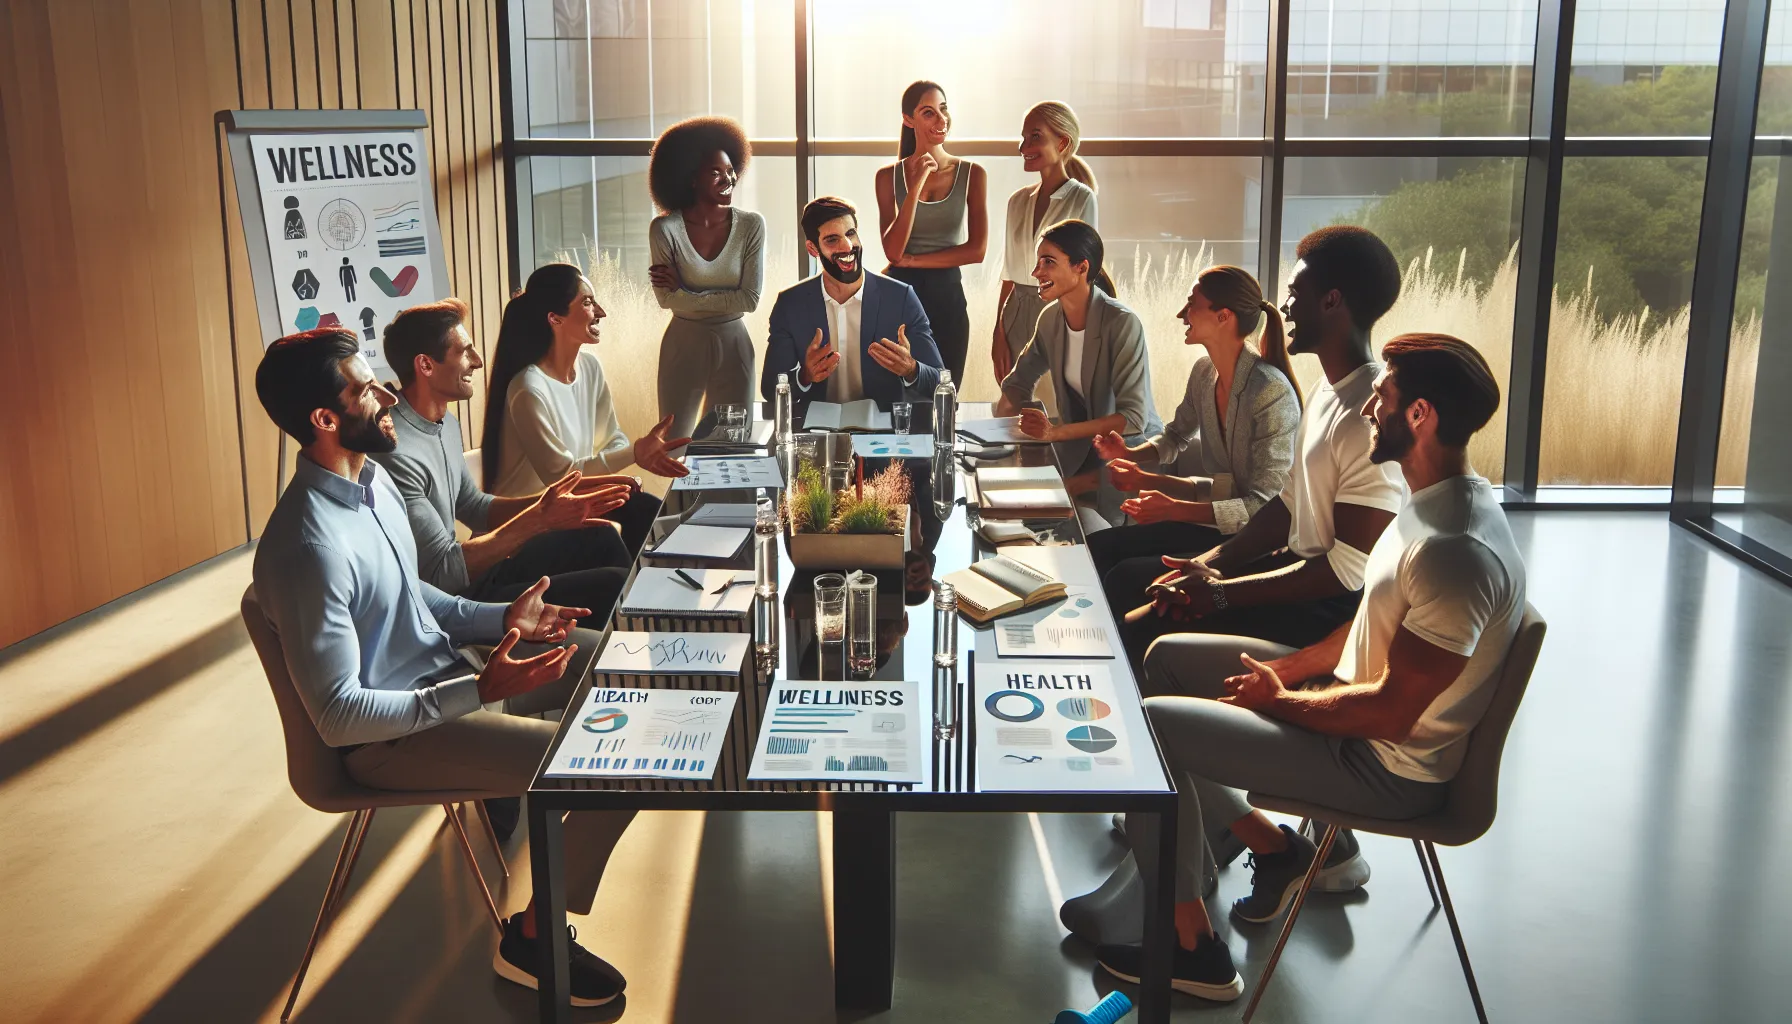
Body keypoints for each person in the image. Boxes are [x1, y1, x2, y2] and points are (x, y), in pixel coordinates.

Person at [1086, 333, 1525, 1004]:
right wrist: (1286, 673)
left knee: (1153, 728)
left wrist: (1276, 701)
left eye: (1385, 395)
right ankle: (1274, 847)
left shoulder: (1454, 552)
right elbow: (1363, 629)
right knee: (1165, 659)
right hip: (1354, 710)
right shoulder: (1427, 504)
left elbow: (1390, 712)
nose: (1371, 404)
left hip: (1383, 768)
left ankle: (1191, 951)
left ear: (1421, 416)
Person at [251, 328, 636, 1007]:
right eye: (365, 389)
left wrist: (501, 620)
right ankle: (533, 940)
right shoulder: (306, 546)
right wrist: (478, 689)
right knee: (611, 770)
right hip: (394, 740)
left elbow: (417, 598)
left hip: (448, 677)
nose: (386, 395)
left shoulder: (370, 483)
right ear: (324, 419)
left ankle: (537, 903)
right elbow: (341, 718)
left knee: (621, 669)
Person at [1115, 226, 1408, 678]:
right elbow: (1285, 507)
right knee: (1142, 586)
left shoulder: (1364, 416)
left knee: (1144, 623)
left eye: (1296, 293)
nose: (1285, 307)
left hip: (1323, 609)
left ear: (1331, 301)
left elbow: (1346, 573)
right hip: (1292, 573)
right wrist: (1207, 563)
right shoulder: (1326, 392)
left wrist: (1218, 593)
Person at [371, 297, 640, 623]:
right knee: (612, 585)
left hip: (475, 576)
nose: (478, 361)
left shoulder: (445, 423)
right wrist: (540, 520)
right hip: (449, 604)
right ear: (426, 365)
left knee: (603, 537)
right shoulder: (395, 451)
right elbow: (443, 573)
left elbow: (475, 508)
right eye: (464, 352)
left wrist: (554, 504)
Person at [1086, 266, 1301, 586]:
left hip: (1256, 542)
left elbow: (1262, 507)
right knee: (1099, 547)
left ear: (1223, 317)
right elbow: (1174, 436)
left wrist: (1174, 509)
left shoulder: (1271, 392)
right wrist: (1131, 454)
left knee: (1124, 576)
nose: (1181, 314)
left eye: (1192, 305)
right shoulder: (1204, 373)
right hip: (1219, 525)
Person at [482, 262, 688, 555]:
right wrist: (632, 456)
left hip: (571, 508)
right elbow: (563, 478)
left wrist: (620, 475)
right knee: (627, 525)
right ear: (555, 318)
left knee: (647, 510)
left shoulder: (590, 367)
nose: (600, 312)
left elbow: (612, 437)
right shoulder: (528, 389)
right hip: (528, 529)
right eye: (588, 303)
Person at [995, 219, 1162, 525]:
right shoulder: (1050, 319)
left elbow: (1134, 418)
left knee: (1041, 512)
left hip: (1128, 457)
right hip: (1081, 453)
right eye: (1037, 262)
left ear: (1081, 268)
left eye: (1049, 262)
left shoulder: (1122, 323)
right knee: (1013, 506)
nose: (1036, 273)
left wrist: (1054, 433)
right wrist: (1000, 444)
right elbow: (1017, 385)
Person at [760, 195, 946, 412]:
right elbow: (769, 388)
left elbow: (941, 383)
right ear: (812, 249)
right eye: (832, 240)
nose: (847, 246)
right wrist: (804, 376)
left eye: (850, 234)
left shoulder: (901, 297)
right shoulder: (790, 303)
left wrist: (911, 369)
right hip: (817, 432)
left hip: (882, 434)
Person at [647, 116, 764, 440]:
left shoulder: (751, 226)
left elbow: (750, 299)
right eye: (716, 172)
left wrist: (687, 291)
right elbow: (665, 298)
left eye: (731, 171)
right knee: (675, 444)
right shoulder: (665, 229)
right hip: (682, 345)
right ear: (691, 179)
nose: (728, 179)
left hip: (734, 344)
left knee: (731, 442)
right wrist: (716, 295)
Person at [874, 80, 987, 382]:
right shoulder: (887, 177)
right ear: (908, 119)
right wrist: (917, 185)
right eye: (929, 112)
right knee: (899, 395)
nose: (941, 120)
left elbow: (976, 251)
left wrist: (914, 261)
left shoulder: (972, 174)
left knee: (946, 392)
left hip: (947, 296)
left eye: (943, 109)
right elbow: (893, 252)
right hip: (898, 296)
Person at [992, 101, 1098, 384]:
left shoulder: (1082, 199)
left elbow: (1084, 274)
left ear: (1063, 142)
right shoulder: (1016, 201)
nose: (1023, 147)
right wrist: (998, 332)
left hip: (1058, 312)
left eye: (1034, 137)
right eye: (1023, 137)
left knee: (1053, 408)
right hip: (1014, 313)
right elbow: (1009, 274)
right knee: (1015, 408)